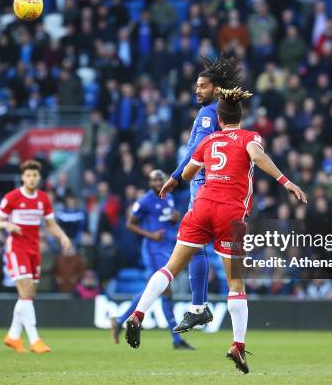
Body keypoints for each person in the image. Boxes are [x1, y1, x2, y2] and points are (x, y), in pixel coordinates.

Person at [125, 87, 307, 374]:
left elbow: (186, 174)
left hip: (201, 206)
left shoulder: (209, 139)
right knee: (236, 284)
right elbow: (257, 157)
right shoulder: (250, 137)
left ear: (219, 119)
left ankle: (138, 314)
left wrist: (181, 177)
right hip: (230, 215)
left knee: (171, 268)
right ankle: (237, 345)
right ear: (241, 116)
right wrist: (286, 182)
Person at [161, 55, 244, 333]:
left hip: (202, 185)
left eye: (203, 86)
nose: (197, 90)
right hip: (207, 186)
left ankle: (199, 306)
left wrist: (174, 177)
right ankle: (200, 306)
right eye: (196, 86)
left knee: (195, 244)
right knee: (198, 247)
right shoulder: (212, 111)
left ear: (217, 89)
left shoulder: (209, 113)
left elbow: (197, 150)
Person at [0, 160, 73, 354]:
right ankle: (35, 339)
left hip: (34, 249)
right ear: (23, 177)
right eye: (28, 175)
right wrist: (7, 226)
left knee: (28, 295)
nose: (32, 178)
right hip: (16, 248)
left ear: (39, 177)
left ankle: (13, 335)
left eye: (35, 175)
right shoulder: (12, 197)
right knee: (26, 291)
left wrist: (62, 236)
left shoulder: (43, 199)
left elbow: (50, 224)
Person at [110, 170, 194, 350]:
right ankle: (176, 339)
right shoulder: (144, 201)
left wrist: (174, 219)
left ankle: (120, 320)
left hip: (165, 247)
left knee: (158, 290)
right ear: (149, 183)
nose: (157, 182)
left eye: (160, 179)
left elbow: (165, 220)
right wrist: (150, 235)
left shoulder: (168, 196)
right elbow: (129, 223)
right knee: (163, 289)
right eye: (154, 180)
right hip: (152, 249)